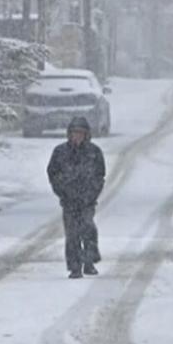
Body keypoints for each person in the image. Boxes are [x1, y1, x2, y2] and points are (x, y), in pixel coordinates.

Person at [47, 117, 106, 279]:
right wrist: (62, 191)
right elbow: (52, 173)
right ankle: (74, 267)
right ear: (69, 134)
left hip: (88, 200)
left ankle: (89, 261)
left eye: (81, 133)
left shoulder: (94, 152)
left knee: (88, 228)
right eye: (74, 133)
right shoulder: (60, 152)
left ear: (86, 134)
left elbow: (100, 175)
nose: (77, 136)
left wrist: (92, 193)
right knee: (72, 233)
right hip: (69, 200)